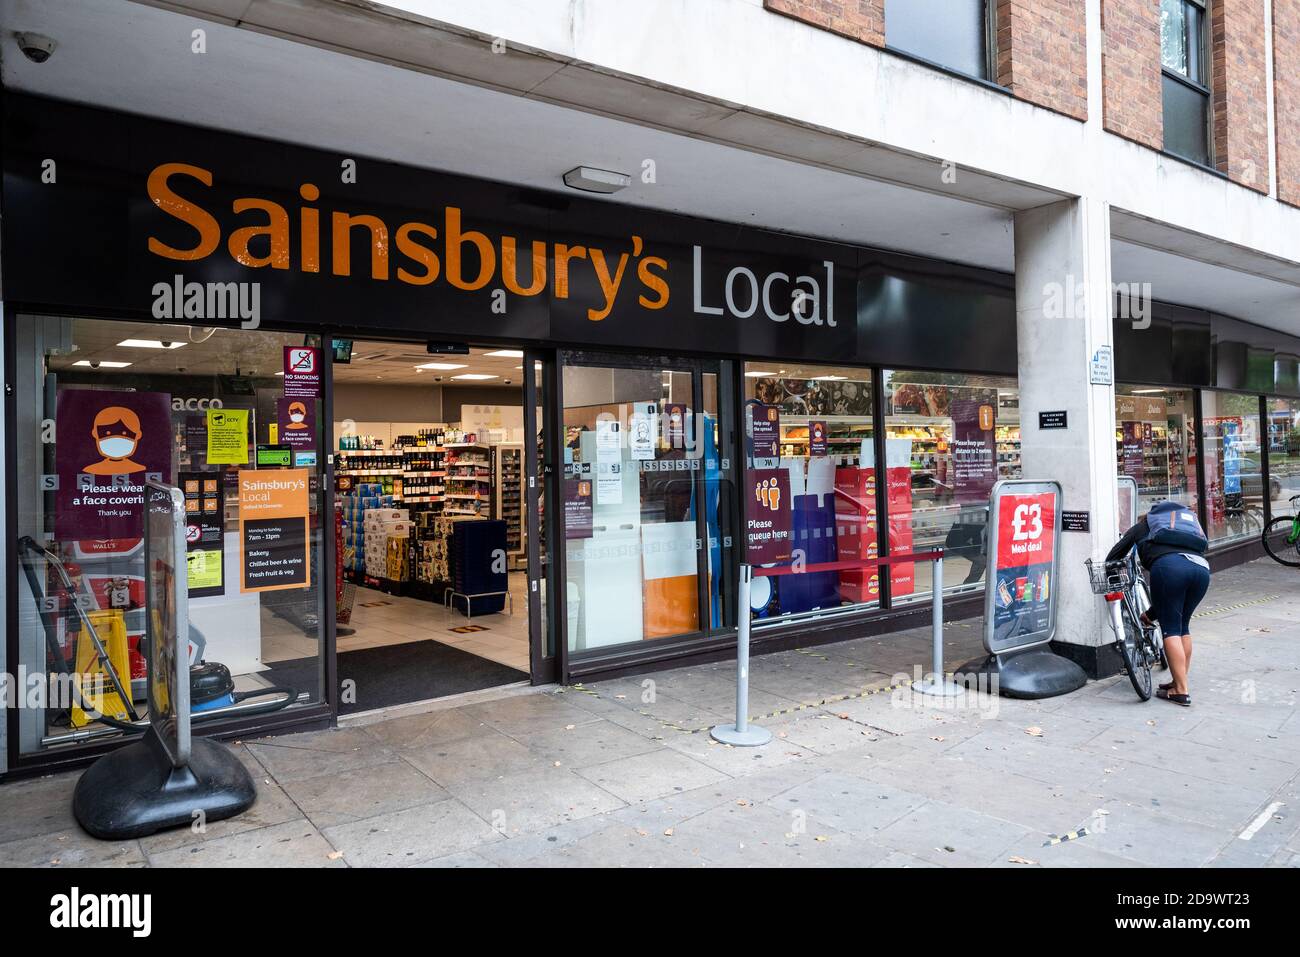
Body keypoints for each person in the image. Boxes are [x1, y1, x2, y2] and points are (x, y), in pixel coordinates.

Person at [1105, 500, 1210, 706]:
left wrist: (1111, 572)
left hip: (1170, 568)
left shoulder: (1144, 526)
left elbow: (1113, 556)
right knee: (1182, 627)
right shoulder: (1186, 527)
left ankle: (1181, 691)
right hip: (1201, 570)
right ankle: (1178, 681)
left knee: (1170, 630)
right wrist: (1150, 615)